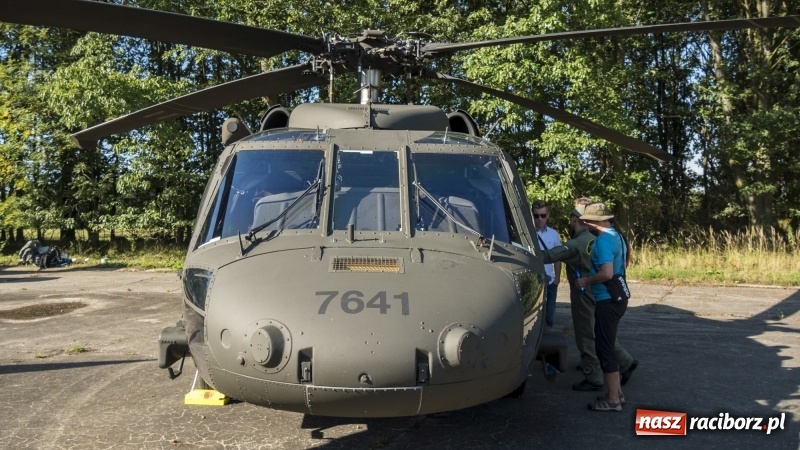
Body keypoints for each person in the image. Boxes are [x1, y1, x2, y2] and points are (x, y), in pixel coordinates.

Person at [540, 198, 637, 394]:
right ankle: (626, 362)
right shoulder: (613, 236)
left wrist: (526, 253)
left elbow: (550, 256)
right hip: (605, 291)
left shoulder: (577, 243)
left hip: (585, 290)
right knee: (601, 332)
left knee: (586, 334)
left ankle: (593, 375)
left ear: (576, 220)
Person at [574, 202, 630, 412]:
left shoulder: (604, 240)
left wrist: (585, 281)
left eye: (586, 219)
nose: (584, 222)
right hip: (617, 297)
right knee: (607, 347)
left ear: (592, 222)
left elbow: (606, 273)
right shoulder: (617, 236)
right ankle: (617, 394)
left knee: (605, 349)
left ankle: (613, 399)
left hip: (607, 300)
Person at [532, 200, 561, 329]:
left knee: (549, 317)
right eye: (536, 215)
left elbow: (558, 258)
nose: (539, 219)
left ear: (548, 215)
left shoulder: (554, 234)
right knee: (534, 317)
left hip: (550, 281)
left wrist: (557, 279)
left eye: (542, 215)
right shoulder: (527, 235)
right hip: (534, 281)